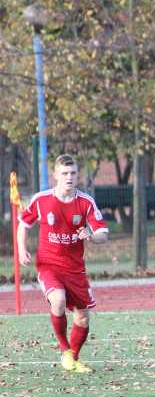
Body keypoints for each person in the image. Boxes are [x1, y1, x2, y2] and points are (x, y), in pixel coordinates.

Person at [17, 154, 109, 373]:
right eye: (65, 173)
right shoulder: (42, 199)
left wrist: (89, 234)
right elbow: (23, 224)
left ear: (78, 175)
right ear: (56, 175)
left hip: (75, 268)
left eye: (73, 173)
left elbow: (103, 234)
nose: (69, 177)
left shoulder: (85, 202)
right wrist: (21, 249)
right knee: (57, 300)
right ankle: (65, 349)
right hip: (49, 265)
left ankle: (73, 358)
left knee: (83, 318)